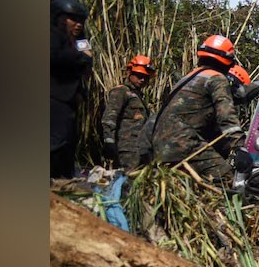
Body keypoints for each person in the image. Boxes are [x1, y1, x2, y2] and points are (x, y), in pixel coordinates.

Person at [150, 34, 244, 182]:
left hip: (159, 144)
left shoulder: (188, 77)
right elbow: (226, 115)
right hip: (183, 143)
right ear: (227, 62)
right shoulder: (217, 78)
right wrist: (239, 147)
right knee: (224, 177)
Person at [50, 0, 94, 178]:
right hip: (53, 98)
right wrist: (80, 57)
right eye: (73, 19)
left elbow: (88, 56)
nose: (78, 25)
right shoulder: (52, 35)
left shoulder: (78, 40)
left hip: (69, 101)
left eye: (81, 21)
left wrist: (84, 57)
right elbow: (55, 57)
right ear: (58, 17)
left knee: (67, 142)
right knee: (55, 143)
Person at [100, 55, 154, 169]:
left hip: (140, 148)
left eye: (146, 77)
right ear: (130, 73)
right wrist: (109, 141)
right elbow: (109, 117)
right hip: (126, 149)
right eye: (139, 76)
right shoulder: (121, 91)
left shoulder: (139, 97)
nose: (142, 79)